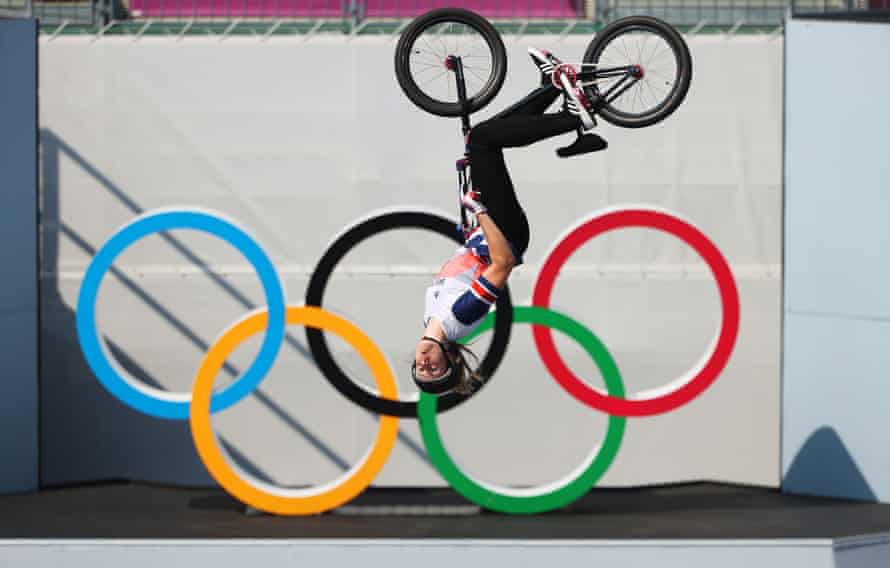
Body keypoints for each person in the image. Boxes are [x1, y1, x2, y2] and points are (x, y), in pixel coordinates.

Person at [412, 48, 608, 395]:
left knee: (491, 135)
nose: (425, 365)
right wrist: (480, 211)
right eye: (434, 370)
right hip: (507, 232)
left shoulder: (431, 318)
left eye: (420, 370)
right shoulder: (460, 319)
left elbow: (472, 263)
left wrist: (469, 232)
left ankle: (551, 87)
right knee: (484, 139)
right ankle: (575, 118)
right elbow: (502, 264)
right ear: (452, 360)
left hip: (490, 230)